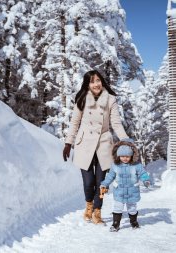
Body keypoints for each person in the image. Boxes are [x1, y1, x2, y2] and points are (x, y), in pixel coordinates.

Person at [63, 70, 128, 224]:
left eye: (98, 80)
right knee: (88, 182)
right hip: (84, 144)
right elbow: (74, 123)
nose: (96, 84)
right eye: (92, 81)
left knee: (101, 183)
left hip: (103, 144)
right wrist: (68, 143)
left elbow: (116, 124)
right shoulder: (82, 99)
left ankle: (97, 212)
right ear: (87, 84)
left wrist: (126, 140)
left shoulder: (111, 100)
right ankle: (89, 206)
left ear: (102, 81)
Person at [100, 139, 150, 232]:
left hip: (132, 191)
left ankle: (134, 222)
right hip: (119, 191)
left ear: (132, 156)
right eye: (122, 156)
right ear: (118, 156)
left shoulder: (136, 165)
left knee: (132, 208)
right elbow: (110, 176)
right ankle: (115, 224)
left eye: (127, 156)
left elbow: (142, 173)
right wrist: (104, 184)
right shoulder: (115, 165)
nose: (125, 158)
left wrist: (146, 180)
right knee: (117, 207)